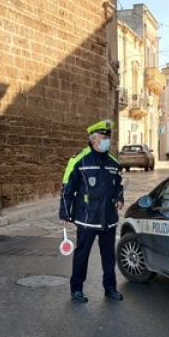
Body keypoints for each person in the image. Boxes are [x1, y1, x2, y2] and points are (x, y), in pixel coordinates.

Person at [59, 119, 124, 303]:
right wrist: (64, 212)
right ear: (93, 139)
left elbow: (118, 185)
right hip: (87, 217)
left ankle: (110, 288)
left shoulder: (113, 162)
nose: (106, 141)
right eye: (103, 137)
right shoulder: (79, 160)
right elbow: (67, 188)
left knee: (108, 256)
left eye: (108, 137)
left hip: (108, 218)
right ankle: (76, 288)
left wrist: (119, 199)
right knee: (82, 254)